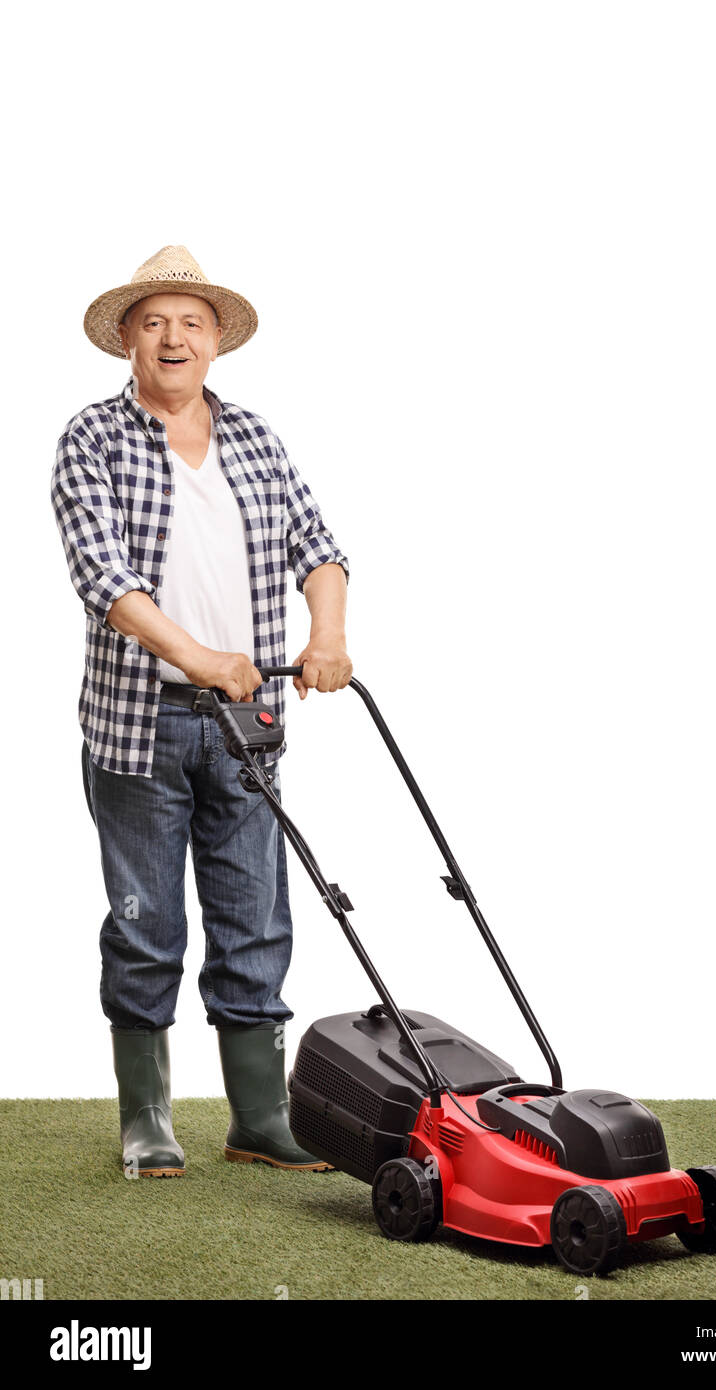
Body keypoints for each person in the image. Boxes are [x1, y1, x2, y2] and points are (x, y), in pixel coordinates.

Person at [51, 245, 352, 1178]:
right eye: (154, 322)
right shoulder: (92, 437)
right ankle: (147, 1119)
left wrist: (329, 635)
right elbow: (104, 577)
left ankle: (260, 1116)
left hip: (250, 723)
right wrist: (200, 659)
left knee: (256, 914)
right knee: (146, 923)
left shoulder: (257, 437)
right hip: (140, 725)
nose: (172, 338)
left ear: (216, 340)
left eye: (190, 322)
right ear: (127, 342)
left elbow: (319, 543)